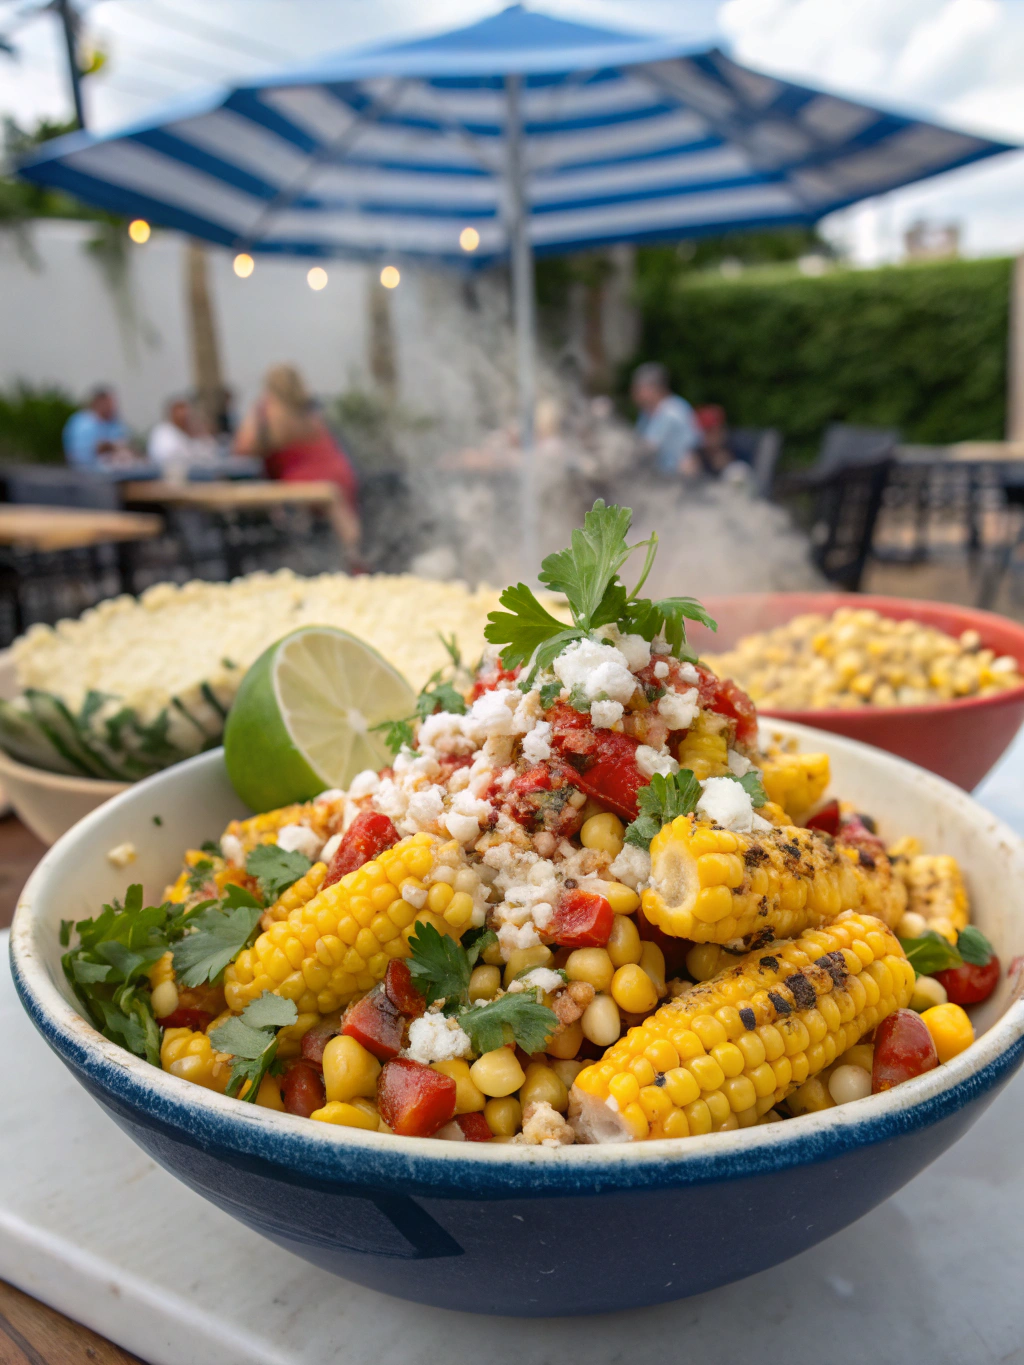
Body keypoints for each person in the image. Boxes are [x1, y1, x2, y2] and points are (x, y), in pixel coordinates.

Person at [234, 364, 361, 557]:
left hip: (301, 481)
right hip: (338, 474)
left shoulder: (269, 412)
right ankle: (352, 555)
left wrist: (256, 411)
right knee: (335, 514)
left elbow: (242, 448)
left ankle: (305, 557)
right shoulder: (309, 412)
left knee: (298, 515)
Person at [631, 362, 701, 478]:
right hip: (663, 477)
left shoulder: (671, 411)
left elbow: (647, 447)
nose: (634, 393)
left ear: (654, 388)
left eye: (638, 388)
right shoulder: (647, 413)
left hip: (679, 479)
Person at [62, 386, 133, 469]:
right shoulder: (82, 423)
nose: (112, 407)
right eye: (109, 403)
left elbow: (124, 442)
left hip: (113, 471)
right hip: (85, 473)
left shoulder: (113, 422)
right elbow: (80, 453)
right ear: (98, 402)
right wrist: (109, 446)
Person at [147, 395, 218, 475]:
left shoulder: (192, 431)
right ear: (172, 413)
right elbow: (165, 457)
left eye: (186, 410)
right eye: (180, 410)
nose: (184, 414)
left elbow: (209, 454)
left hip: (196, 476)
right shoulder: (163, 432)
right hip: (167, 476)